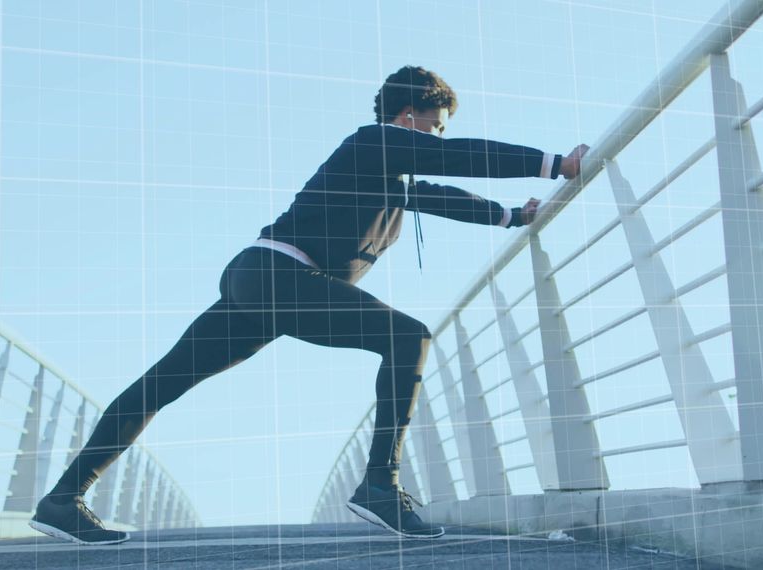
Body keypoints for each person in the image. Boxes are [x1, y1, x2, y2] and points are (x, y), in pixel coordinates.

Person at [29, 65, 588, 544]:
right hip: (281, 274)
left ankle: (61, 500)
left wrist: (511, 216)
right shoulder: (371, 142)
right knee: (408, 336)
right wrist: (555, 161)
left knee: (163, 383)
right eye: (435, 123)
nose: (436, 136)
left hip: (263, 278)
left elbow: (440, 197)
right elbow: (453, 159)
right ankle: (380, 486)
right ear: (412, 113)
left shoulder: (387, 177)